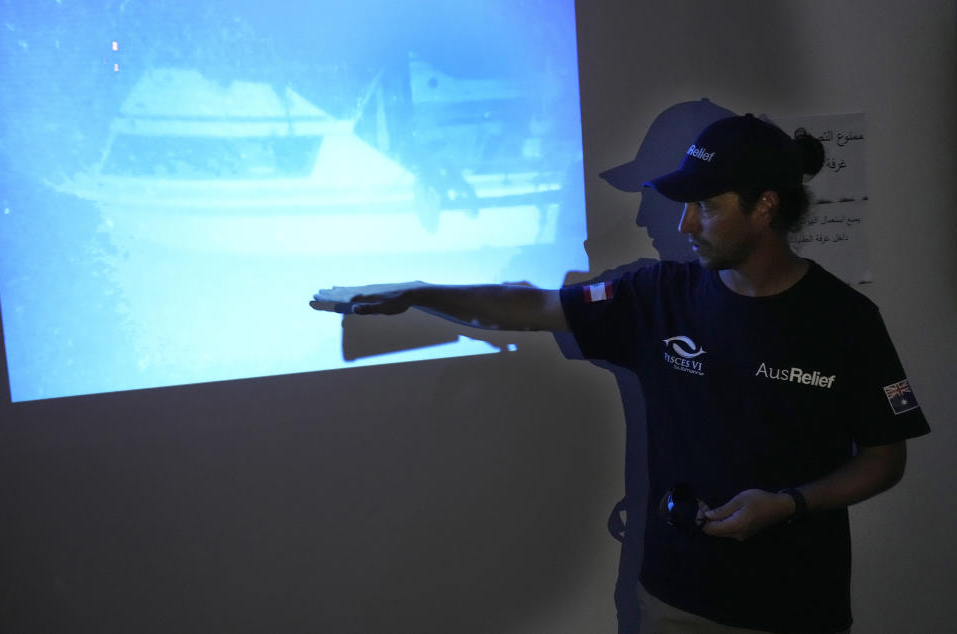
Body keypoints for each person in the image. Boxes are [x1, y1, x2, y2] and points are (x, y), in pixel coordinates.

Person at [310, 114, 930, 633]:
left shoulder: (846, 320)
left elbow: (884, 457)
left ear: (766, 206)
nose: (684, 224)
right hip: (674, 598)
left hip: (796, 606)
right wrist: (421, 293)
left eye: (706, 206)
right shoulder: (656, 295)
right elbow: (532, 305)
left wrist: (790, 504)